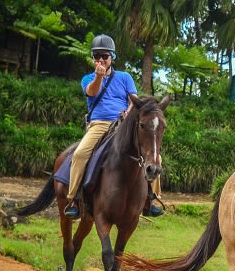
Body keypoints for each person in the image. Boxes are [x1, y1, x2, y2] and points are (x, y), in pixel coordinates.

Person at [64, 34, 164, 219]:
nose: (101, 60)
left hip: (123, 124)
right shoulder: (88, 79)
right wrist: (98, 78)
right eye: (97, 56)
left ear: (112, 58)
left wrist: (128, 112)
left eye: (105, 56)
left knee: (154, 154)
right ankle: (74, 199)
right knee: (79, 154)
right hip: (99, 124)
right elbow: (91, 92)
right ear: (93, 58)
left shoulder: (125, 77)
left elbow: (133, 100)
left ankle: (151, 199)